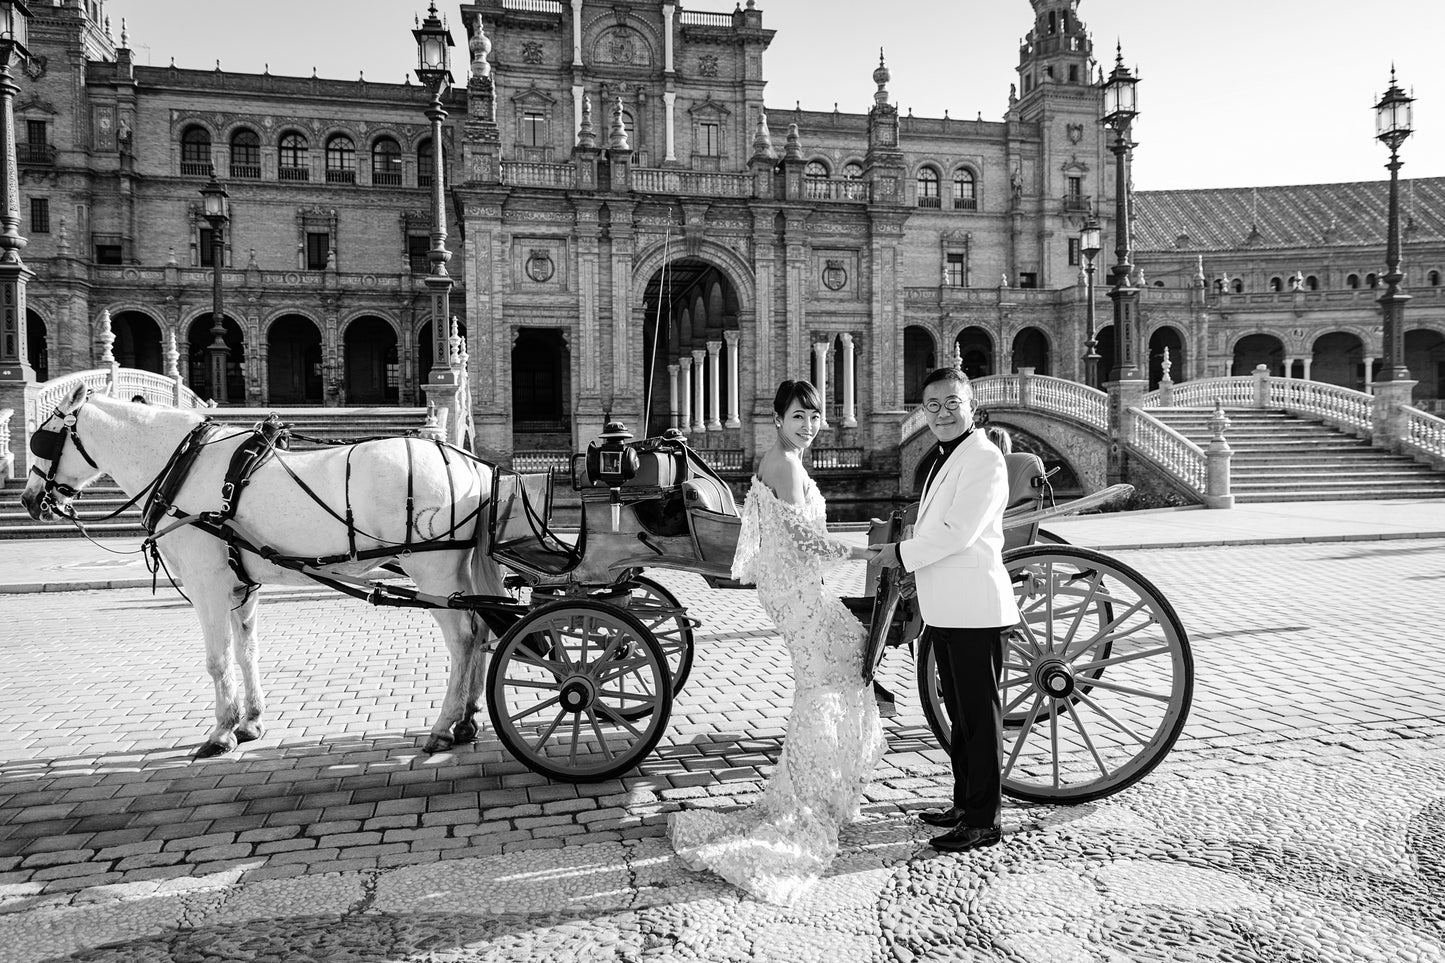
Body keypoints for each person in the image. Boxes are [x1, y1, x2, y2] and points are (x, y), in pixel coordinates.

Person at [668, 378, 887, 905]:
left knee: (842, 664)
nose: (808, 426)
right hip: (795, 593)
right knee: (829, 677)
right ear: (777, 420)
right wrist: (866, 555)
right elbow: (805, 539)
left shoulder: (784, 458)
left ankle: (822, 785)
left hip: (792, 588)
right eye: (798, 417)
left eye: (814, 417)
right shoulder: (786, 464)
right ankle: (809, 796)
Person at [871, 366, 1019, 853]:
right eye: (932, 406)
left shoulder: (984, 458)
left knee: (979, 718)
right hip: (947, 609)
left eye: (952, 404)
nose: (942, 415)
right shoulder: (944, 457)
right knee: (959, 714)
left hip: (976, 609)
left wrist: (900, 554)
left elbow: (958, 532)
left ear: (970, 404)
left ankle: (984, 820)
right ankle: (964, 802)